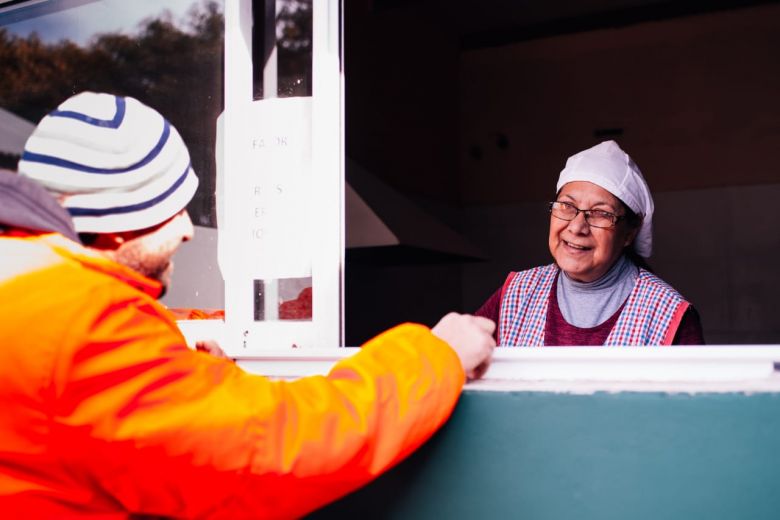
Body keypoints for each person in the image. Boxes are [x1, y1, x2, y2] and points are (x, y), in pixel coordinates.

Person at [0, 92, 496, 518]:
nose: (188, 230)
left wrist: (181, 383)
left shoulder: (24, 280)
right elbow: (276, 450)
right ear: (114, 221)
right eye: (170, 210)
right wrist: (436, 356)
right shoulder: (81, 319)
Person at [476, 140, 704, 346]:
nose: (576, 227)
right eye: (566, 205)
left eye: (600, 213)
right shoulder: (518, 293)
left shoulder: (668, 313)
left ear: (629, 234)